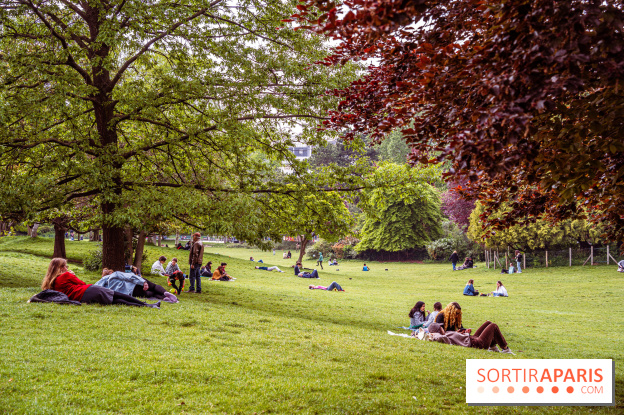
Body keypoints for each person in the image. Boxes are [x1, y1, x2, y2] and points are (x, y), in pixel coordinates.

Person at [42, 258, 159, 308]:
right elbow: (82, 284)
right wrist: (73, 275)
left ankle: (147, 305)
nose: (67, 268)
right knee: (118, 295)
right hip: (88, 290)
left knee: (115, 301)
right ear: (61, 268)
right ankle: (147, 305)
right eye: (65, 266)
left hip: (82, 298)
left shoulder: (52, 283)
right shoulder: (67, 275)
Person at [427, 322, 514, 354]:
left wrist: (461, 333)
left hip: (472, 338)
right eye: (441, 327)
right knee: (493, 326)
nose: (442, 328)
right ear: (438, 330)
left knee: (488, 323)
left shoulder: (446, 334)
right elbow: (438, 337)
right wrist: (432, 335)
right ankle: (505, 349)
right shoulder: (441, 337)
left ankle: (493, 347)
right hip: (476, 344)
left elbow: (453, 337)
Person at [98, 268, 176, 301]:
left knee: (151, 294)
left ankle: (164, 298)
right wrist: (143, 282)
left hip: (133, 291)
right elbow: (129, 276)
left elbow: (95, 287)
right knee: (154, 286)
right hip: (136, 282)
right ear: (110, 272)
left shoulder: (104, 284)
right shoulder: (115, 274)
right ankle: (166, 293)